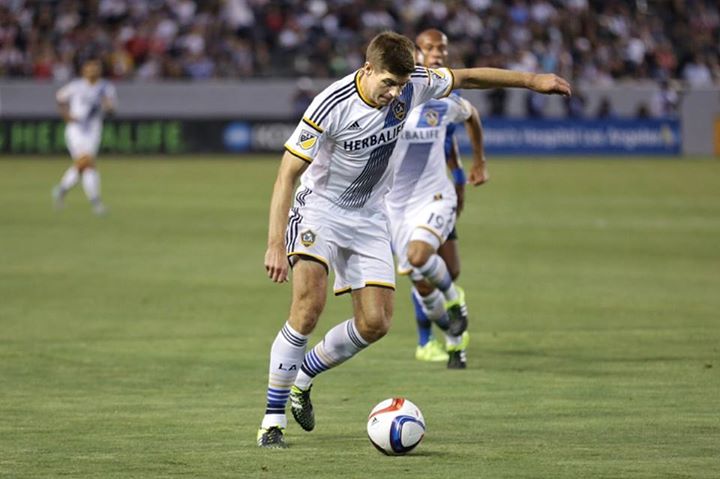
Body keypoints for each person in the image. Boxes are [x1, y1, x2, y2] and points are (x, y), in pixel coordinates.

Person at [258, 31, 571, 448]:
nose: (396, 93)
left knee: (376, 323)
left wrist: (532, 82)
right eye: (388, 83)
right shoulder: (330, 105)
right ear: (367, 69)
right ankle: (272, 421)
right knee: (308, 307)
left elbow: (469, 78)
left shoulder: (413, 85)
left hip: (370, 216)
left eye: (402, 85)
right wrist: (275, 242)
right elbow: (286, 174)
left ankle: (304, 377)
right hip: (320, 211)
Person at [390, 29, 489, 367]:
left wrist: (474, 168)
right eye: (429, 48)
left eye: (441, 49)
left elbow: (463, 128)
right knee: (421, 279)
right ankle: (450, 337)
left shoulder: (444, 98)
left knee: (436, 265)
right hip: (396, 208)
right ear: (414, 54)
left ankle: (451, 308)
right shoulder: (390, 97)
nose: (437, 54)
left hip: (435, 195)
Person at [52, 58, 116, 215]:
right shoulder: (76, 86)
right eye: (90, 67)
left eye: (96, 67)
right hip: (76, 130)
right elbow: (60, 98)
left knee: (85, 166)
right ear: (84, 70)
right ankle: (96, 203)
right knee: (87, 163)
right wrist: (66, 115)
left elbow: (111, 110)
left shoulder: (106, 88)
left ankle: (61, 190)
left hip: (93, 131)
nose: (93, 70)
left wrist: (108, 106)